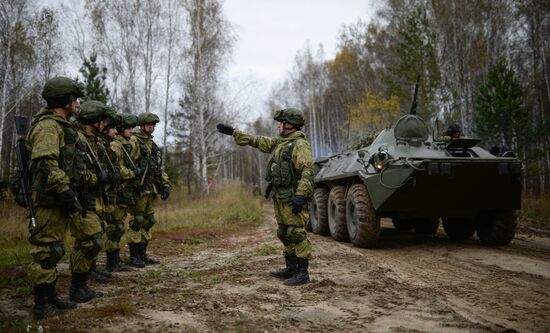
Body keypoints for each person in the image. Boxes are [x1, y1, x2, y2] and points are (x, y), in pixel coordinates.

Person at [217, 108, 314, 286]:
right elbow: (258, 141)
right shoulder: (281, 143)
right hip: (281, 196)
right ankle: (291, 268)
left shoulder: (300, 145)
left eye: (281, 122)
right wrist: (234, 132)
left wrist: (301, 196)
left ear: (290, 124)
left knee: (296, 233)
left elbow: (307, 171)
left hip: (293, 196)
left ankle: (303, 272)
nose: (278, 125)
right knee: (284, 232)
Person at [25, 76, 82, 319]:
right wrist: (65, 191)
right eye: (75, 99)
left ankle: (50, 298)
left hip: (56, 200)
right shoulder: (48, 127)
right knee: (45, 252)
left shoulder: (61, 126)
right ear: (66, 100)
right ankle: (41, 306)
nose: (78, 103)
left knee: (55, 250)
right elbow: (46, 163)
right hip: (49, 201)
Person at [69, 100, 112, 302]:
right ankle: (77, 287)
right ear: (94, 120)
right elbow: (74, 172)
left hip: (95, 199)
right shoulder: (77, 139)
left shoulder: (93, 140)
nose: (105, 123)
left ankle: (81, 285)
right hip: (82, 200)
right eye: (102, 119)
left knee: (92, 241)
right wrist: (97, 178)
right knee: (90, 242)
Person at [127, 112, 171, 267]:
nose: (151, 127)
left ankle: (142, 254)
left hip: (150, 189)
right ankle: (134, 256)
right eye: (149, 124)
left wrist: (165, 185)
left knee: (149, 220)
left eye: (153, 125)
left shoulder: (152, 144)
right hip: (139, 189)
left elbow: (157, 168)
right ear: (142, 125)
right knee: (137, 221)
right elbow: (127, 163)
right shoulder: (134, 141)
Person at [107, 113, 140, 271]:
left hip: (126, 191)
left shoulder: (128, 144)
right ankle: (112, 262)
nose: (131, 131)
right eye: (128, 128)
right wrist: (133, 173)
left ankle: (115, 261)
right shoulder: (116, 145)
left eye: (132, 128)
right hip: (117, 191)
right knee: (115, 227)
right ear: (120, 130)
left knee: (119, 225)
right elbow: (117, 169)